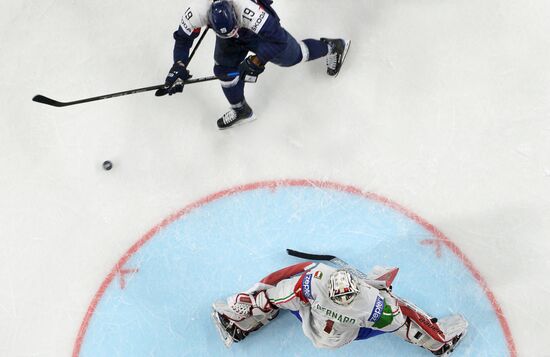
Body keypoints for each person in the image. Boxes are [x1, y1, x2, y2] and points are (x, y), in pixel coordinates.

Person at [158, 0, 351, 129]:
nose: (232, 34)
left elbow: (278, 41)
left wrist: (255, 61)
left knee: (295, 56)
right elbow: (183, 39)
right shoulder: (197, 12)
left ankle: (333, 46)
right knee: (224, 71)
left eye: (232, 30)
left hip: (258, 33)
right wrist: (179, 64)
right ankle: (240, 109)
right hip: (234, 35)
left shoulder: (248, 11)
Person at [212, 261, 468, 356]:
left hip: (311, 323)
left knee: (288, 282)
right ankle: (440, 344)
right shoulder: (372, 306)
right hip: (348, 335)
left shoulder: (316, 283)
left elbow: (279, 296)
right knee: (404, 317)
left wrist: (251, 300)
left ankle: (241, 323)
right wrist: (382, 292)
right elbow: (401, 322)